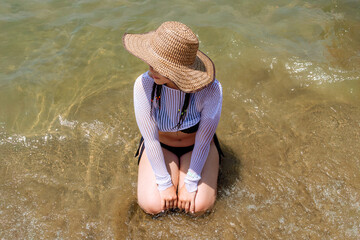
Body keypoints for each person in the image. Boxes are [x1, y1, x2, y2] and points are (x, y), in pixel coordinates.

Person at [122, 21, 223, 215]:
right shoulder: (144, 84)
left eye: (159, 66)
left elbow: (203, 140)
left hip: (197, 146)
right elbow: (150, 138)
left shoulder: (211, 89)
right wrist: (164, 183)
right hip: (161, 145)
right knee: (154, 205)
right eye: (151, 61)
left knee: (198, 207)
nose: (151, 69)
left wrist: (191, 183)